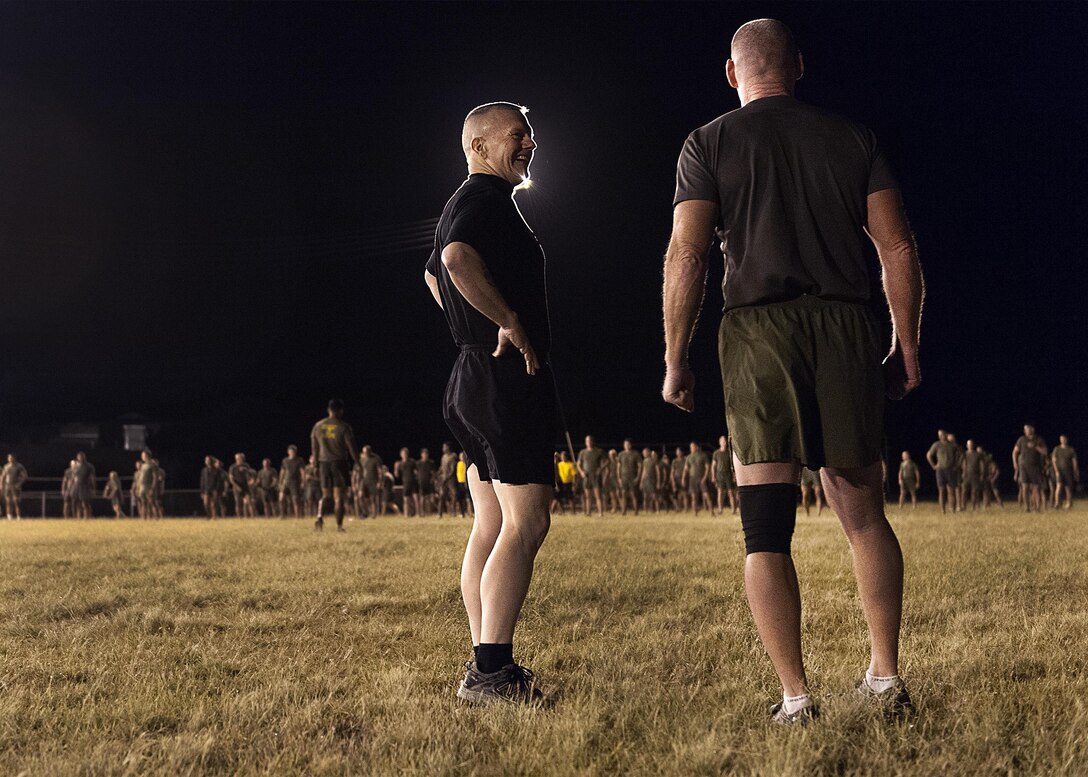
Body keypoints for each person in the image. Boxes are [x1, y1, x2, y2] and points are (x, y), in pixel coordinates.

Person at [662, 19, 923, 724]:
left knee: (765, 524)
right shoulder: (853, 138)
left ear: (731, 73)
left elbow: (686, 256)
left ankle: (796, 696)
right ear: (799, 67)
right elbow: (897, 248)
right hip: (845, 323)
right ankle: (885, 677)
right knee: (865, 514)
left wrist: (675, 356)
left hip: (757, 331)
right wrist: (906, 344)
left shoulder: (708, 142)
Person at [424, 101, 555, 704]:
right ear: (479, 145)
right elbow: (453, 262)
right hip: (500, 378)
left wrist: (467, 328)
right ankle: (491, 672)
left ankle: (485, 662)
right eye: (517, 135)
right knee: (526, 522)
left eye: (529, 135)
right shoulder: (484, 199)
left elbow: (432, 275)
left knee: (491, 522)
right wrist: (504, 321)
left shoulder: (461, 201)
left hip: (471, 375)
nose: (528, 143)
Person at [310, 399, 359, 531]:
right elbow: (351, 447)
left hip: (323, 463)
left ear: (328, 410)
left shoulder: (318, 426)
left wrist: (315, 464)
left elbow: (314, 448)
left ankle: (319, 516)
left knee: (326, 495)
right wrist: (357, 462)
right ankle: (339, 526)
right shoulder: (344, 426)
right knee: (339, 497)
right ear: (340, 410)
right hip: (339, 463)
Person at [1012, 424, 1047, 513]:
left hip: (1035, 466)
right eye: (1025, 429)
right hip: (1023, 466)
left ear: (1032, 429)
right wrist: (1015, 464)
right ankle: (1027, 507)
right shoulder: (1021, 440)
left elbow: (1045, 452)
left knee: (1036, 487)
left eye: (1028, 429)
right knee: (1025, 487)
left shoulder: (1038, 439)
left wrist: (1035, 447)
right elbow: (1015, 452)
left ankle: (1037, 508)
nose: (1026, 431)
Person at [926, 431, 957, 514]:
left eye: (942, 434)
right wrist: (934, 465)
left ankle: (953, 509)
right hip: (940, 470)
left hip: (950, 469)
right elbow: (929, 455)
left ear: (946, 435)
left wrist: (955, 465)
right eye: (939, 435)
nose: (941, 436)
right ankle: (943, 510)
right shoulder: (937, 445)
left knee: (951, 490)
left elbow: (959, 456)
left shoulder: (952, 445)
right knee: (942, 490)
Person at [576, 435, 607, 516]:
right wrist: (582, 472)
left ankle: (600, 512)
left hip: (595, 476)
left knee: (598, 495)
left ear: (592, 441)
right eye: (587, 441)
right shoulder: (582, 452)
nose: (588, 442)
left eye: (589, 440)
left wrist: (600, 469)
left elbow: (607, 461)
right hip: (586, 476)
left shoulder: (598, 451)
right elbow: (578, 464)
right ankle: (588, 512)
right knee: (588, 496)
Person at [684, 442, 713, 516]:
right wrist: (683, 478)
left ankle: (711, 512)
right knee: (694, 496)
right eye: (690, 447)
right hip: (692, 479)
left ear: (697, 447)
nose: (691, 448)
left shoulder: (703, 455)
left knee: (706, 495)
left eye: (693, 446)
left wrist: (705, 477)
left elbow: (707, 467)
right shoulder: (688, 457)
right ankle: (695, 513)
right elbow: (686, 469)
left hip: (701, 478)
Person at [713, 436, 738, 515]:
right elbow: (713, 466)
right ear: (719, 442)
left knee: (731, 493)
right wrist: (713, 476)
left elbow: (733, 465)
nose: (724, 442)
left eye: (725, 441)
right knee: (720, 493)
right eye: (722, 441)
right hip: (719, 475)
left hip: (728, 475)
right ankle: (720, 510)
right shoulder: (716, 453)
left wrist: (734, 476)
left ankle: (733, 510)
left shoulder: (729, 452)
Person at [1052, 435, 1078, 510]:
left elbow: (1074, 461)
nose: (1063, 440)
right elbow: (1054, 460)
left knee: (1068, 488)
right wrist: (1056, 470)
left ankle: (1069, 503)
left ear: (1066, 440)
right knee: (1059, 486)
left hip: (1068, 471)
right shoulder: (1057, 449)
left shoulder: (1070, 449)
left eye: (1064, 439)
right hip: (1060, 471)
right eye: (1061, 439)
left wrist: (1075, 470)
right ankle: (1057, 503)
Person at [279, 445, 305, 518]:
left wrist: (303, 482)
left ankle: (297, 516)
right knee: (281, 498)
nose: (292, 453)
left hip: (295, 482)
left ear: (295, 452)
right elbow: (282, 471)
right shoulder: (285, 460)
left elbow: (302, 471)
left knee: (295, 499)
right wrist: (280, 482)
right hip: (286, 482)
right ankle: (282, 515)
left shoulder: (299, 460)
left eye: (293, 451)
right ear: (288, 452)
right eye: (290, 451)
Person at [395, 447, 421, 517]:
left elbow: (417, 471)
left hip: (413, 482)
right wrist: (396, 468)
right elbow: (397, 475)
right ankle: (406, 514)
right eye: (403, 453)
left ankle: (418, 514)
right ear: (401, 455)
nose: (404, 455)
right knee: (406, 499)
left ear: (407, 454)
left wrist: (417, 477)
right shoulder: (399, 463)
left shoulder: (412, 461)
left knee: (416, 498)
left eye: (405, 453)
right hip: (406, 483)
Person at [359, 446, 384, 518]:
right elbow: (360, 471)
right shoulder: (362, 459)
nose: (365, 453)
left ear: (370, 451)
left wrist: (380, 481)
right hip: (364, 481)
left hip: (373, 480)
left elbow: (380, 471)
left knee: (373, 498)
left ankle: (374, 514)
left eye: (366, 452)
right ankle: (364, 512)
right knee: (360, 496)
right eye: (364, 452)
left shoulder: (376, 459)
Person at [2, 454, 28, 519]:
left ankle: (18, 516)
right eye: (9, 457)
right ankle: (9, 516)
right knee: (8, 502)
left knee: (16, 501)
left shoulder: (19, 466)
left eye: (11, 457)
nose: (10, 458)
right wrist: (2, 486)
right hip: (8, 486)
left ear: (14, 458)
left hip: (15, 486)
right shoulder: (6, 466)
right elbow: (3, 476)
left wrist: (19, 484)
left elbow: (25, 476)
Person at [436, 443, 459, 518]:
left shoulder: (453, 456)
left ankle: (453, 512)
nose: (443, 448)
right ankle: (439, 514)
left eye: (444, 447)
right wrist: (438, 473)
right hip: (444, 479)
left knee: (454, 494)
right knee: (442, 495)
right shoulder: (443, 457)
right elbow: (442, 467)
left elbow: (452, 470)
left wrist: (447, 477)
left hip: (451, 479)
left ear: (448, 447)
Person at [228, 453, 255, 518]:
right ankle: (239, 517)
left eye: (242, 458)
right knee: (238, 502)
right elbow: (231, 479)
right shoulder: (232, 467)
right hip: (237, 487)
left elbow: (251, 473)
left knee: (248, 501)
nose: (241, 459)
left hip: (245, 486)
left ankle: (252, 517)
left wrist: (251, 480)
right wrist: (236, 486)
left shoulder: (246, 465)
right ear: (236, 458)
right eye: (239, 458)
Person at [962, 440, 984, 511]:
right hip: (967, 475)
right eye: (968, 444)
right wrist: (964, 472)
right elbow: (964, 463)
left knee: (974, 492)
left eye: (971, 444)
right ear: (967, 445)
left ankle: (973, 507)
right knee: (964, 491)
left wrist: (982, 474)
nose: (970, 445)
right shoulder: (965, 454)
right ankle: (964, 506)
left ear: (973, 445)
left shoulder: (977, 454)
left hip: (975, 475)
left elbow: (981, 465)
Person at [418, 448, 437, 515]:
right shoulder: (418, 463)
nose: (425, 455)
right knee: (422, 498)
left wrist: (433, 479)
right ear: (421, 455)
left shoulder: (431, 463)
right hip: (422, 483)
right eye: (424, 454)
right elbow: (416, 472)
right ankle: (422, 513)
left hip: (429, 483)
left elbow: (433, 473)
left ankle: (429, 512)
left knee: (430, 499)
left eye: (426, 454)